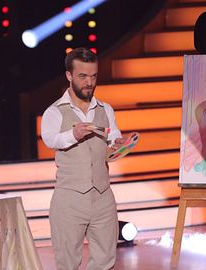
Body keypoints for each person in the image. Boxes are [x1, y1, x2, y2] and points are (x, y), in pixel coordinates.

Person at [41, 47, 125, 270]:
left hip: (102, 195)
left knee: (105, 258)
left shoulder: (105, 109)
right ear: (69, 76)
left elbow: (113, 136)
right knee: (67, 261)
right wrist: (74, 134)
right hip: (70, 197)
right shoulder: (55, 111)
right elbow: (50, 140)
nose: (89, 82)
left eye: (93, 76)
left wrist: (118, 145)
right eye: (83, 76)